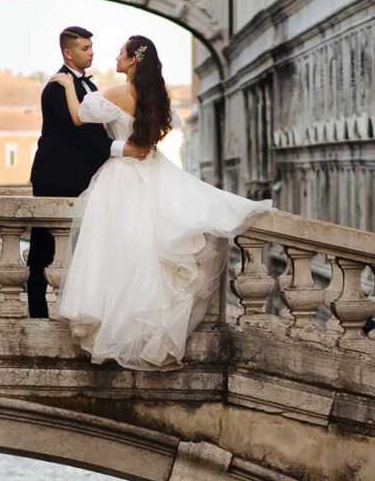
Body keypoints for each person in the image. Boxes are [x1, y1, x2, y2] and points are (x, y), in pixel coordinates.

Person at [51, 35, 273, 369]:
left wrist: (67, 85)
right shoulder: (157, 97)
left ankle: (112, 320)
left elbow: (78, 117)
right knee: (146, 247)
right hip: (151, 167)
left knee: (116, 247)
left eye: (120, 52)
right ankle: (140, 329)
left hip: (120, 174)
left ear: (132, 61)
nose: (115, 56)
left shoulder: (113, 94)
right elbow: (161, 131)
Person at [27, 26, 146, 318]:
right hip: (56, 177)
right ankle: (38, 314)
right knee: (42, 249)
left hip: (81, 177)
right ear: (68, 53)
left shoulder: (89, 87)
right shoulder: (57, 87)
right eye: (85, 48)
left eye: (92, 47)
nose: (92, 52)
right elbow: (79, 135)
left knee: (84, 247)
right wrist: (122, 149)